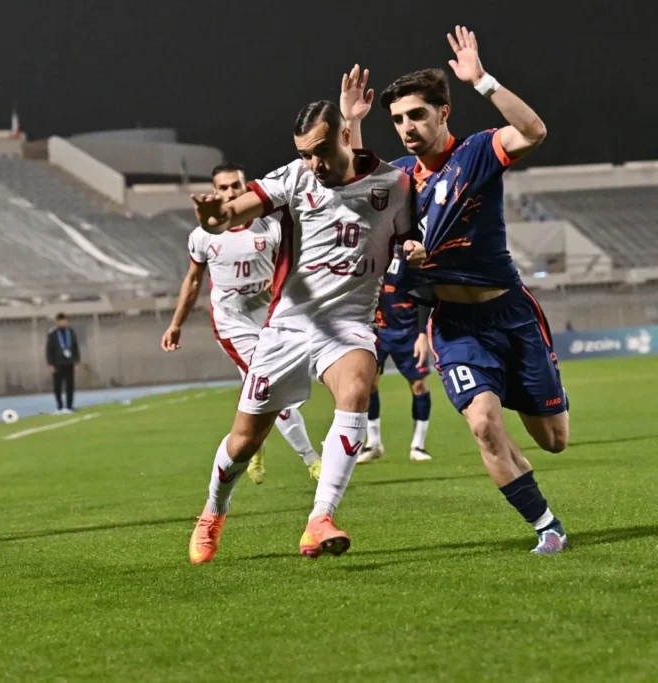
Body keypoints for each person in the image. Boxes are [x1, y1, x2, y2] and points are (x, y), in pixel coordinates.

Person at [186, 71, 425, 565]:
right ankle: (213, 511)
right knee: (244, 442)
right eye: (304, 153)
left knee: (357, 388)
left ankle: (320, 518)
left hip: (349, 324)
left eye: (320, 151)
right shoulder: (295, 177)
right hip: (288, 328)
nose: (314, 163)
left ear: (344, 136)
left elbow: (408, 239)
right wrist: (217, 218)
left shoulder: (395, 184)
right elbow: (241, 209)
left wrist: (413, 250)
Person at [379, 27, 568, 554]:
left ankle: (512, 421)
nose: (407, 127)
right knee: (484, 424)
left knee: (554, 440)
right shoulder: (397, 179)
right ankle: (547, 527)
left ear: (444, 112)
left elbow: (533, 131)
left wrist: (482, 80)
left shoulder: (479, 151)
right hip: (456, 327)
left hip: (511, 313)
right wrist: (350, 120)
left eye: (417, 114)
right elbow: (342, 182)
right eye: (397, 119)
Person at [161, 161, 321, 484]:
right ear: (215, 192)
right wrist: (176, 323)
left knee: (257, 389)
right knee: (271, 385)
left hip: (270, 319)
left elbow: (290, 268)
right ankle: (313, 461)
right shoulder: (203, 236)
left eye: (236, 185)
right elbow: (193, 280)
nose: (231, 192)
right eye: (223, 187)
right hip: (232, 325)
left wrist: (280, 285)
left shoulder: (270, 228)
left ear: (247, 186)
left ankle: (253, 443)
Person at [357, 243, 434, 463]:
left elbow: (423, 291)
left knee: (418, 385)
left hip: (407, 331)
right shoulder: (369, 248)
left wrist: (422, 334)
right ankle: (373, 443)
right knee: (369, 384)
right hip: (376, 329)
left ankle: (418, 445)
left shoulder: (407, 250)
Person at [46, 313, 80, 414]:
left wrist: (77, 361)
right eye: (60, 321)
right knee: (58, 387)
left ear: (67, 321)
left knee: (70, 386)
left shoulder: (71, 332)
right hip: (57, 364)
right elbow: (49, 349)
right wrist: (50, 364)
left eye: (64, 321)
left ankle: (69, 406)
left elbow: (75, 347)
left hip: (69, 363)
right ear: (57, 322)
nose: (62, 323)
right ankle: (60, 407)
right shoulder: (53, 333)